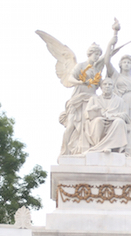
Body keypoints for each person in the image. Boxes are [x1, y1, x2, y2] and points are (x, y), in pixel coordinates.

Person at [36, 23, 119, 156]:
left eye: (98, 54)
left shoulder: (96, 69)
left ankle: (85, 151)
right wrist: (81, 81)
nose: (97, 57)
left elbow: (108, 56)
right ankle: (64, 151)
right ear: (89, 54)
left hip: (91, 100)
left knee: (87, 127)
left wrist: (115, 34)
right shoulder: (80, 66)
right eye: (95, 54)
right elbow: (70, 79)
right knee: (71, 126)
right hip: (78, 99)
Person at [105, 53, 131, 157]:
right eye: (124, 62)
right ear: (120, 65)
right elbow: (107, 62)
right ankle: (122, 148)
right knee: (123, 125)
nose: (126, 64)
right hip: (122, 103)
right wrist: (111, 47)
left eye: (128, 62)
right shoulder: (116, 76)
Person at [84, 77, 131, 155]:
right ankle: (99, 146)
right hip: (99, 122)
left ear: (113, 87)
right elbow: (86, 114)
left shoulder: (120, 100)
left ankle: (109, 146)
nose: (107, 86)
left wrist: (113, 116)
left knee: (119, 122)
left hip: (113, 123)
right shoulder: (94, 99)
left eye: (110, 84)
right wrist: (93, 109)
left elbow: (125, 115)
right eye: (105, 84)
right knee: (98, 120)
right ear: (101, 87)